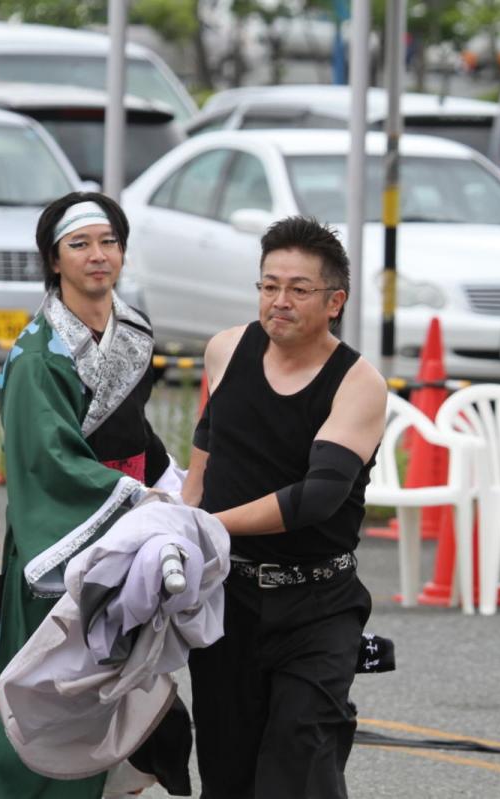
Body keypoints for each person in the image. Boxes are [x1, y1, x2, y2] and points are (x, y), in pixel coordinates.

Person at [0, 191, 177, 799]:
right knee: (55, 692)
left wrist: (173, 485)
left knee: (125, 684)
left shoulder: (133, 329)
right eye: (80, 244)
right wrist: (136, 500)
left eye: (109, 242)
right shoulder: (39, 355)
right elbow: (47, 461)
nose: (97, 255)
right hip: (66, 535)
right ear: (54, 260)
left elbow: (131, 430)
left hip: (127, 525)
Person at [181, 216, 388, 799]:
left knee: (301, 758)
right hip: (227, 597)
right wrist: (182, 512)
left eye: (299, 289)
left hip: (318, 604)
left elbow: (318, 496)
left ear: (334, 302)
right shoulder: (226, 350)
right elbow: (212, 435)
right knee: (228, 773)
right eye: (269, 286)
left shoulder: (358, 383)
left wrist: (208, 525)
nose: (280, 301)